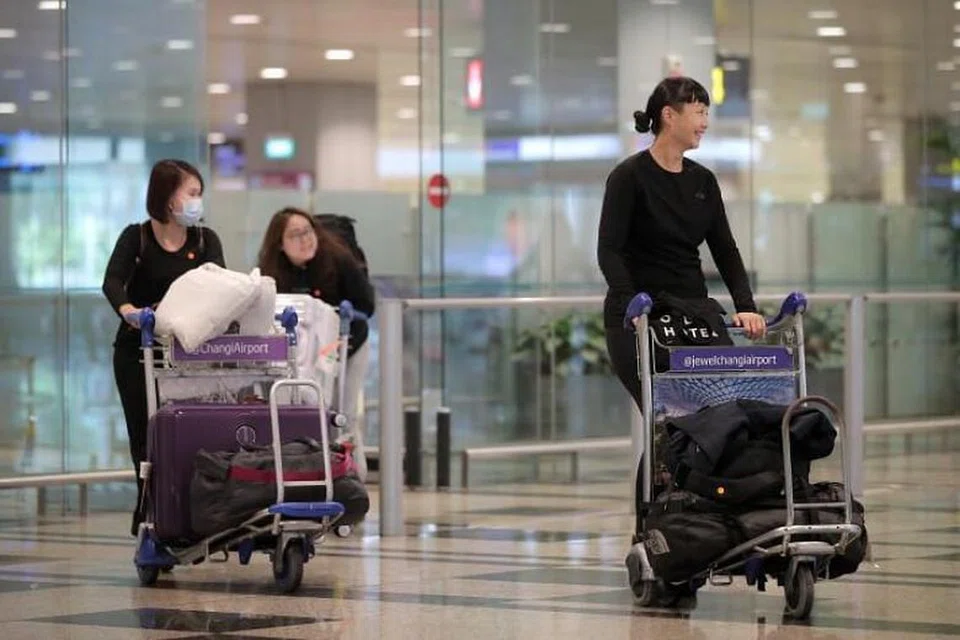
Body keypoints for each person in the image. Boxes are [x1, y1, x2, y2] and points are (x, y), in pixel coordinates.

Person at [597, 76, 766, 408]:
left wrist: (745, 305)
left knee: (721, 415)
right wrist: (633, 304)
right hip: (641, 316)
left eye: (706, 113)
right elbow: (609, 250)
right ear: (669, 116)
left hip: (694, 314)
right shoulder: (628, 177)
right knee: (670, 420)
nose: (705, 123)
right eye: (699, 112)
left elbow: (724, 250)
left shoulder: (703, 180)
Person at [102, 159, 225, 536]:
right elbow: (113, 281)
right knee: (145, 434)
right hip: (138, 352)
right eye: (191, 192)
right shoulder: (136, 237)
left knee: (192, 432)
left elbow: (221, 289)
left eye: (199, 193)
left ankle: (195, 508)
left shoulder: (206, 241)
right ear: (166, 196)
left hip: (190, 355)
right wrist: (129, 312)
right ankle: (150, 513)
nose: (196, 201)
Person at [257, 207, 375, 469]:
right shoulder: (272, 272)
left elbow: (367, 306)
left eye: (308, 231)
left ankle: (351, 473)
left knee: (342, 413)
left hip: (348, 345)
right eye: (296, 234)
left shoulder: (338, 259)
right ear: (280, 244)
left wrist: (345, 315)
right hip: (301, 353)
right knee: (303, 409)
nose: (306, 239)